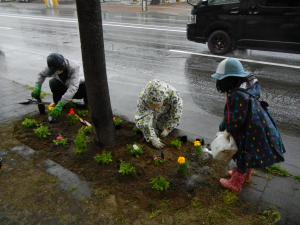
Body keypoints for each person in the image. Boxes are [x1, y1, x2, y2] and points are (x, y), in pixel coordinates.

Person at [211, 58, 285, 193]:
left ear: (228, 80)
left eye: (220, 80)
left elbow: (236, 120)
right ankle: (246, 174)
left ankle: (236, 183)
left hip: (248, 130)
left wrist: (226, 127)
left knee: (243, 153)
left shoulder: (238, 95)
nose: (218, 83)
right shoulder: (245, 87)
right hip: (255, 125)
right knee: (248, 153)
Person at [31, 53, 87, 119]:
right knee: (53, 82)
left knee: (87, 86)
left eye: (59, 69)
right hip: (66, 85)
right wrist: (37, 86)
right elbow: (41, 75)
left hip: (80, 87)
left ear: (62, 65)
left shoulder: (74, 67)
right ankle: (59, 104)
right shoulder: (51, 68)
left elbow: (73, 88)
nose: (57, 72)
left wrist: (61, 104)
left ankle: (87, 105)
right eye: (55, 70)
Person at [135, 79, 183, 149]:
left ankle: (160, 126)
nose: (155, 109)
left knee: (162, 125)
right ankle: (152, 130)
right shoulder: (143, 98)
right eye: (152, 106)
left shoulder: (174, 96)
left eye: (157, 106)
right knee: (146, 123)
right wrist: (152, 137)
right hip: (149, 108)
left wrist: (168, 128)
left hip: (166, 107)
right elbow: (142, 117)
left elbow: (176, 113)